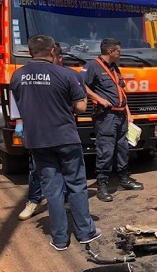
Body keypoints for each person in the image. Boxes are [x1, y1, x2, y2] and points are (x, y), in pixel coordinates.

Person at [10, 35, 100, 250]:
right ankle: (85, 233)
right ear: (52, 51)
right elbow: (80, 107)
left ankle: (60, 239)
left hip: (37, 140)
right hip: (65, 138)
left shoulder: (17, 75)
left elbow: (18, 106)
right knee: (76, 186)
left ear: (30, 52)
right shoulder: (65, 74)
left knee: (52, 190)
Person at [81, 38, 143, 202]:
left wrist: (128, 112)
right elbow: (81, 85)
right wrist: (98, 98)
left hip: (121, 115)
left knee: (123, 148)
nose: (120, 54)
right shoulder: (92, 66)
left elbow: (121, 92)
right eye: (118, 52)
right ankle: (102, 185)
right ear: (110, 52)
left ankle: (123, 178)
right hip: (106, 116)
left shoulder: (114, 68)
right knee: (106, 150)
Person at [17, 42, 66, 220]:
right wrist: (20, 121)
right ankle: (34, 201)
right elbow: (22, 100)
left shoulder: (65, 75)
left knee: (66, 168)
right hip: (39, 131)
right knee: (36, 168)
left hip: (62, 131)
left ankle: (64, 200)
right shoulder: (31, 76)